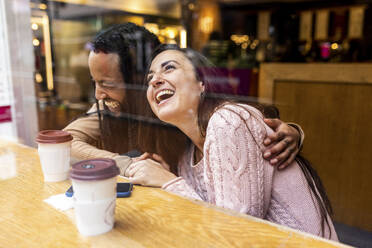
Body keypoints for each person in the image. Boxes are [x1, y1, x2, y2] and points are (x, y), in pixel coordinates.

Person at [126, 44, 338, 240]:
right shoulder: (185, 156)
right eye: (150, 78)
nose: (155, 81)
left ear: (202, 83)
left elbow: (235, 232)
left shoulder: (228, 121)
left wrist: (167, 182)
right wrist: (167, 177)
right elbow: (207, 216)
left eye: (169, 68)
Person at [63, 22, 304, 175]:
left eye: (107, 83)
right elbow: (66, 141)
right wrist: (129, 164)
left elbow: (244, 124)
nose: (98, 95)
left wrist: (289, 133)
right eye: (95, 82)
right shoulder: (107, 108)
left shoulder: (184, 108)